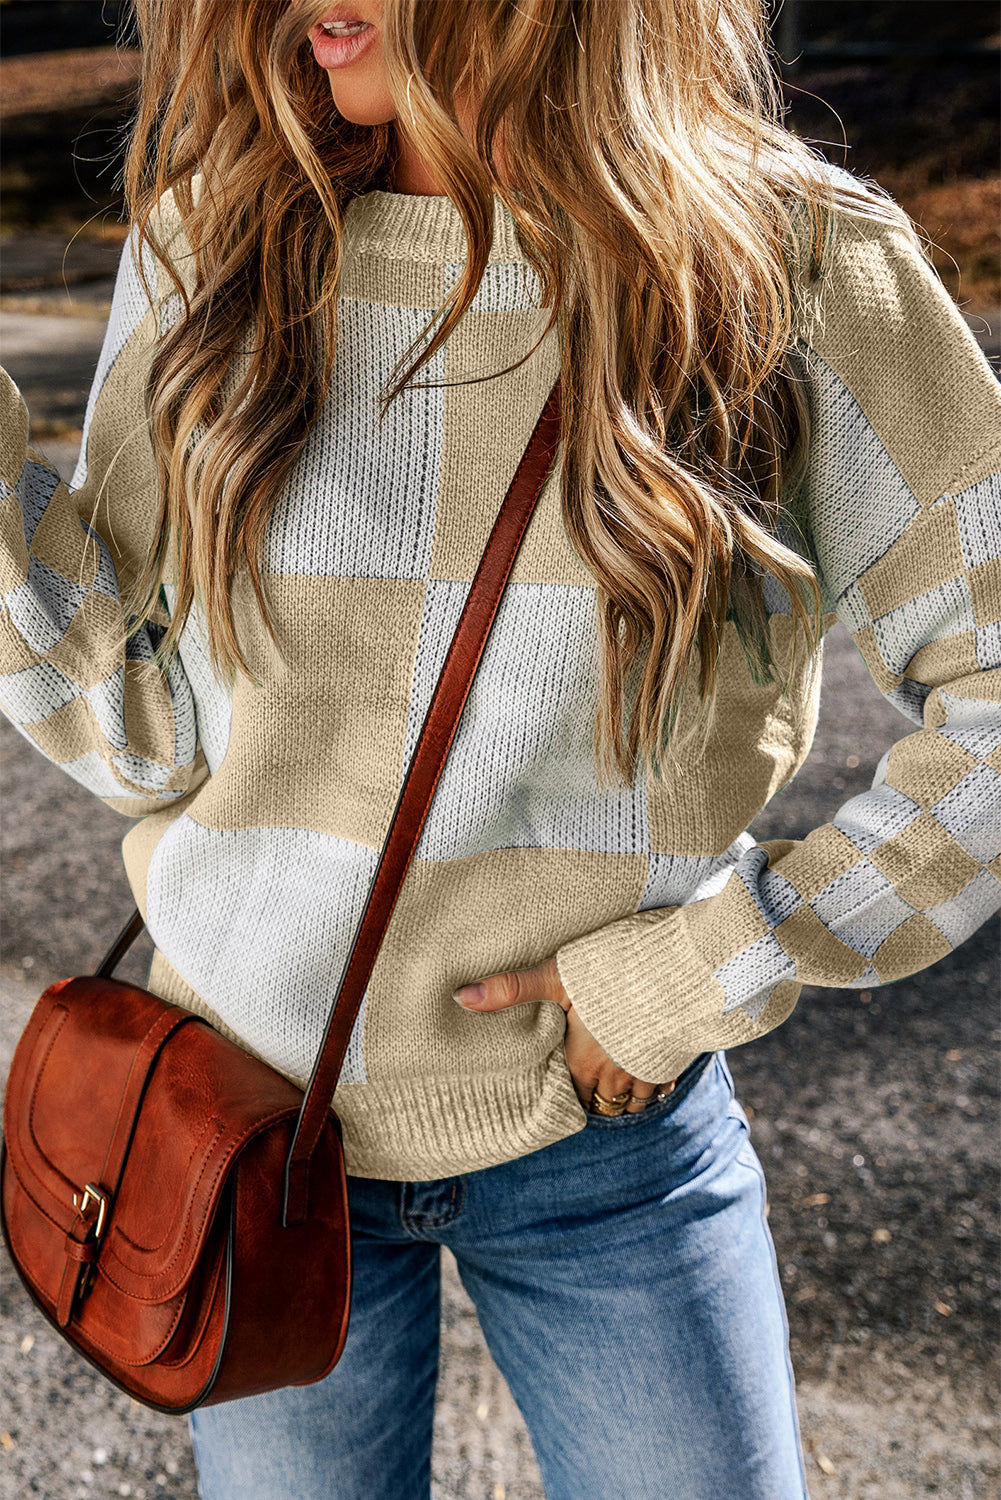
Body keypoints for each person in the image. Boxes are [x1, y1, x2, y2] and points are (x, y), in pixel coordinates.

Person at [1, 0, 998, 1495]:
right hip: (240, 1131)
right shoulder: (218, 246)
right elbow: (144, 734)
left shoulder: (788, 263)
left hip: (605, 1142)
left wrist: (706, 967)